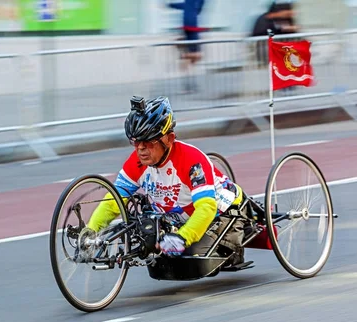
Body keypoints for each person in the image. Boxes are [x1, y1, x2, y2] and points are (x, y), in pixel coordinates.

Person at [84, 95, 246, 264]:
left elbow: (206, 208)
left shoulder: (191, 161)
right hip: (175, 217)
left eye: (149, 142)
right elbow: (114, 201)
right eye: (136, 142)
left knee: (192, 261)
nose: (141, 149)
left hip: (221, 210)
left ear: (169, 139)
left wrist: (183, 237)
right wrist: (91, 231)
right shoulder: (137, 161)